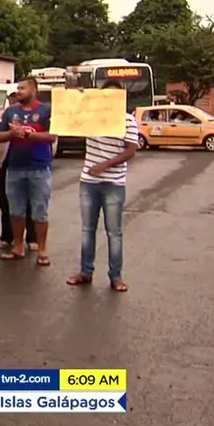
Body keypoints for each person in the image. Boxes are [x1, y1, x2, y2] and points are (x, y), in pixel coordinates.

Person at [67, 81, 137, 292]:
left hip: (114, 182)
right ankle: (85, 271)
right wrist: (77, 94)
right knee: (87, 229)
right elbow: (69, 114)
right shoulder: (92, 117)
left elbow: (131, 149)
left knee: (114, 232)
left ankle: (115, 276)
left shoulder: (128, 120)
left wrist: (105, 165)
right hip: (89, 182)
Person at [0, 76, 57, 267]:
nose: (18, 91)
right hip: (15, 168)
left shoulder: (45, 110)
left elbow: (52, 136)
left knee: (39, 211)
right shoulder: (11, 112)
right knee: (16, 211)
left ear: (34, 90)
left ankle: (42, 250)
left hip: (39, 168)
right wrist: (11, 133)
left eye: (23, 88)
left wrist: (30, 134)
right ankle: (18, 246)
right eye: (17, 88)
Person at [0, 90, 37, 252]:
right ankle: (7, 237)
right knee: (5, 201)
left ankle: (32, 238)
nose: (14, 99)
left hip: (28, 162)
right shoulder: (1, 115)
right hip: (5, 162)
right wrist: (8, 130)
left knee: (30, 202)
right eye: (11, 96)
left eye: (17, 96)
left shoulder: (33, 113)